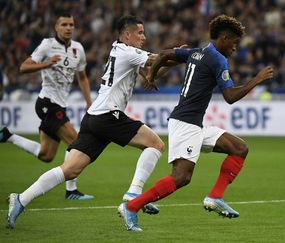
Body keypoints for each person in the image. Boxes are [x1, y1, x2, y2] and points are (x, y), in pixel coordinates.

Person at [7, 15, 166, 229]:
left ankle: (21, 199)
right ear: (127, 35)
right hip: (109, 115)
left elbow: (151, 74)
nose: (144, 37)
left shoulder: (121, 51)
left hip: (94, 118)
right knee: (156, 144)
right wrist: (185, 55)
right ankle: (133, 195)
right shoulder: (128, 52)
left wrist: (163, 67)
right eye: (140, 33)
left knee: (70, 169)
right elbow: (157, 60)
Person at [117, 15, 274, 231]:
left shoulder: (197, 52)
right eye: (235, 42)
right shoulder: (218, 59)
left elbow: (164, 54)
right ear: (225, 37)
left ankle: (215, 197)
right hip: (185, 124)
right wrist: (257, 80)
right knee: (181, 177)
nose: (235, 48)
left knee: (239, 148)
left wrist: (151, 76)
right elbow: (229, 96)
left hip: (194, 124)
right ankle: (132, 207)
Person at [0, 12, 94, 200]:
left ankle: (8, 136)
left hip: (60, 105)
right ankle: (71, 190)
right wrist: (45, 64)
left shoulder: (78, 49)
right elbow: (24, 67)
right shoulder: (47, 45)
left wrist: (88, 101)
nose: (68, 28)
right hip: (47, 103)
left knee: (46, 155)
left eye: (71, 25)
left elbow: (82, 77)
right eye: (64, 24)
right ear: (56, 28)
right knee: (76, 142)